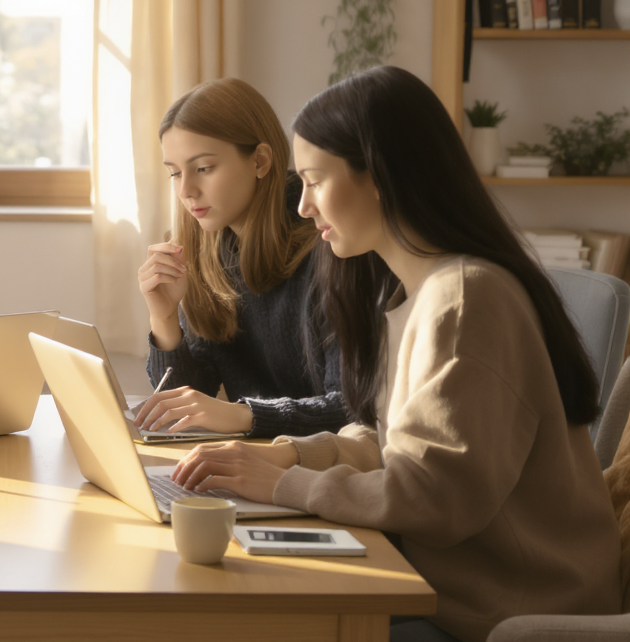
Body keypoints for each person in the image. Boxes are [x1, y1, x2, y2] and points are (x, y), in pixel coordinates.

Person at [171, 66, 621, 642]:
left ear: (381, 176)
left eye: (313, 180)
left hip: (505, 612)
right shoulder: (408, 293)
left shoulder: (466, 298)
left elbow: (434, 496)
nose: (303, 207)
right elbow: (388, 442)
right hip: (442, 587)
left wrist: (286, 487)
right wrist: (284, 458)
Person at [134, 78, 348, 438]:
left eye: (203, 168)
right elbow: (187, 404)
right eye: (174, 172)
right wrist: (164, 316)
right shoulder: (208, 252)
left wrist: (244, 416)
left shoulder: (330, 247)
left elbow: (350, 408)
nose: (185, 190)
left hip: (319, 469)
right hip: (253, 460)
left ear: (260, 161)